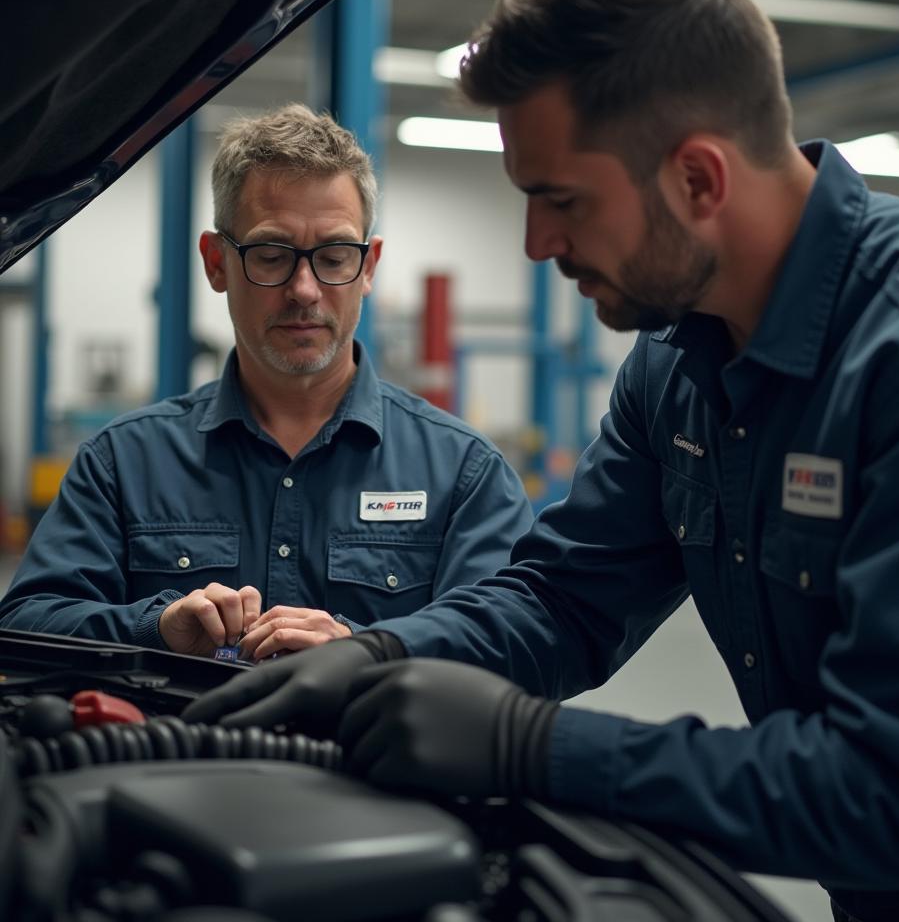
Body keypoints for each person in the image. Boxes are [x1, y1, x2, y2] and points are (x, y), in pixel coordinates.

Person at [183, 0, 899, 922]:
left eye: (559, 201)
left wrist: (530, 746)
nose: (537, 244)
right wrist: (381, 655)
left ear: (698, 180)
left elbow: (896, 793)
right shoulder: (678, 361)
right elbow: (568, 596)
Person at [0, 104, 533, 661]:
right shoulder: (124, 463)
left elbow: (514, 650)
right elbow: (25, 624)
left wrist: (373, 652)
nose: (304, 289)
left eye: (332, 256)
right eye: (272, 255)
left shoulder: (463, 474)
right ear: (216, 263)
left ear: (368, 266)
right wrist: (154, 628)